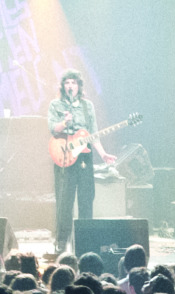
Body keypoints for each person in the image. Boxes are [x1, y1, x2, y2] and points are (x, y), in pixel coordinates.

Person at [49, 69, 116, 254]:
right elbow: (53, 129)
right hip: (64, 155)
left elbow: (93, 133)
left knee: (86, 198)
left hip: (84, 157)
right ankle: (62, 242)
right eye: (67, 82)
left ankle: (86, 240)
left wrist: (102, 154)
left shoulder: (88, 106)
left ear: (79, 86)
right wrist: (64, 122)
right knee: (64, 200)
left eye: (74, 82)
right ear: (63, 86)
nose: (71, 86)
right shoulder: (56, 105)